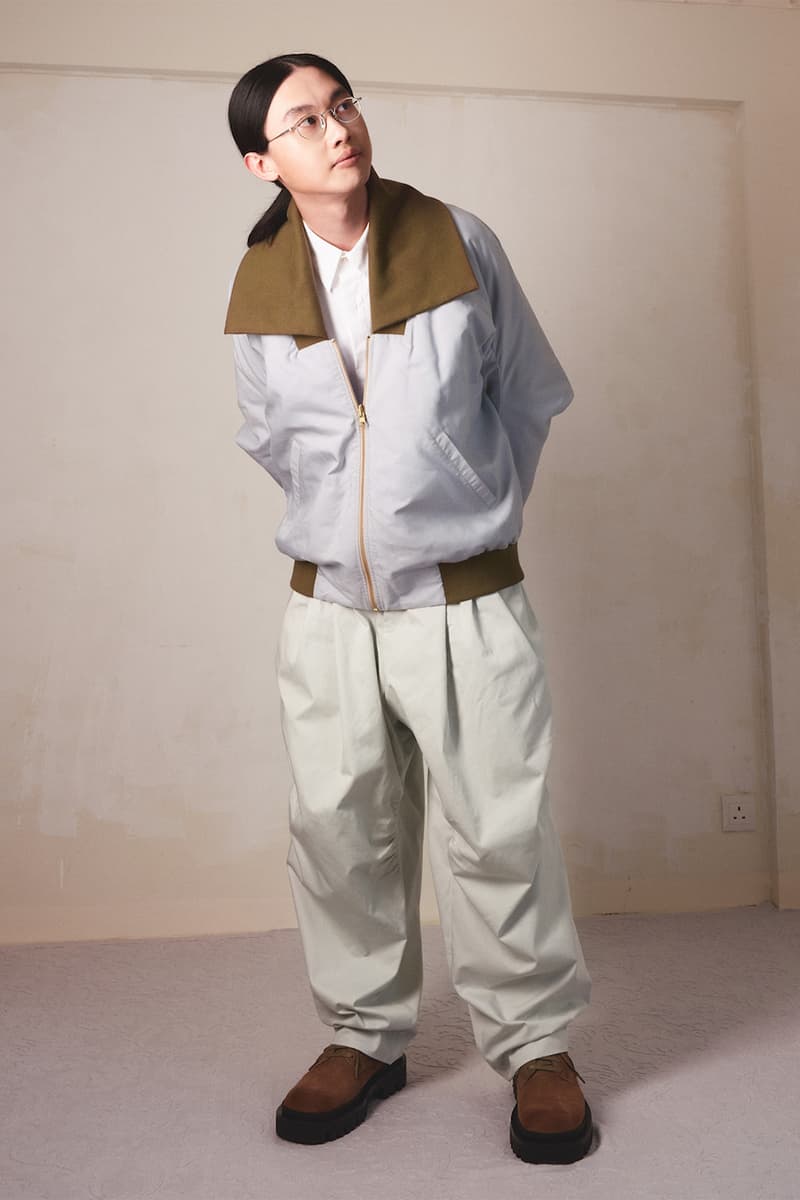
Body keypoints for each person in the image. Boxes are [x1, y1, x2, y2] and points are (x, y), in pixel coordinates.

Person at [225, 52, 593, 1164]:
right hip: (329, 610)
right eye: (303, 120)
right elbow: (269, 439)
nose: (337, 127)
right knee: (338, 831)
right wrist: (348, 529)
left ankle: (535, 1048)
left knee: (497, 828)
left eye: (342, 104)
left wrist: (466, 507)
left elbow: (528, 392)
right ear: (262, 163)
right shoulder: (257, 284)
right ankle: (363, 1034)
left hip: (463, 599)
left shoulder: (459, 241)